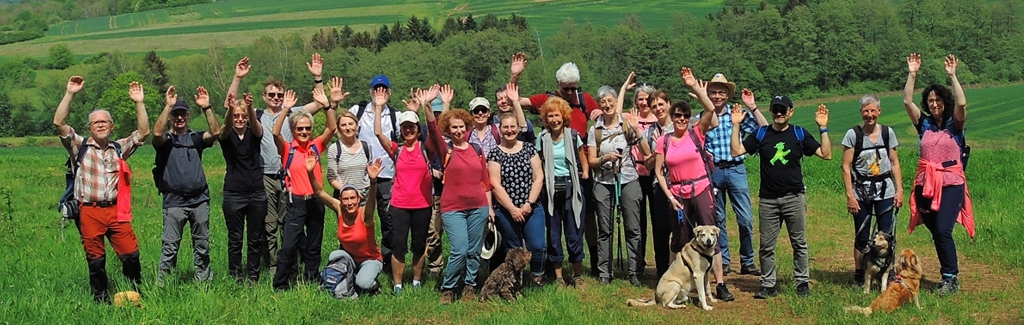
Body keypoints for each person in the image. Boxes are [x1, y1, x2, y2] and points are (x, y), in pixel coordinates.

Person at [225, 55, 326, 276]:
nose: (276, 98)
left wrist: (317, 78)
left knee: (288, 224)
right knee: (268, 225)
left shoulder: (292, 112)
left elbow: (320, 104)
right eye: (271, 94)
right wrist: (237, 77)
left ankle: (290, 264)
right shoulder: (256, 116)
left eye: (279, 94)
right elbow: (230, 105)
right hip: (264, 178)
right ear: (264, 96)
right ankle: (272, 266)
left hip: (289, 177)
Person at [54, 76, 149, 303]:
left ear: (112, 126)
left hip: (117, 212)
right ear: (89, 127)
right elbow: (59, 123)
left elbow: (143, 132)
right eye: (96, 122)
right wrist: (70, 93)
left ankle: (134, 295)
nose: (100, 124)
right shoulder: (80, 147)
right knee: (96, 259)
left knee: (131, 255)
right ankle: (101, 300)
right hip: (89, 211)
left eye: (105, 121)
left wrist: (139, 102)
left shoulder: (119, 148)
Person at [729, 96, 832, 298]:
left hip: (794, 197)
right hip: (768, 200)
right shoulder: (761, 133)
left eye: (782, 110)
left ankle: (802, 282)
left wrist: (823, 128)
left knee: (799, 243)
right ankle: (768, 285)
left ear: (790, 112)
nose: (778, 114)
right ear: (771, 111)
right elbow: (736, 151)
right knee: (766, 246)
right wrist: (736, 126)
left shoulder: (798, 133)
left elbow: (826, 154)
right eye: (775, 110)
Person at [653, 67, 735, 301]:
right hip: (677, 193)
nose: (681, 119)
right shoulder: (664, 141)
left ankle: (719, 283)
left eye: (685, 116)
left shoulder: (696, 133)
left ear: (689, 118)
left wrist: (696, 88)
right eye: (677, 115)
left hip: (700, 189)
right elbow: (659, 172)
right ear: (672, 116)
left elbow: (711, 109)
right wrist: (670, 196)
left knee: (710, 235)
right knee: (679, 238)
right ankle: (675, 280)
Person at [513, 57, 602, 273]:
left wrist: (600, 113)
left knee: (586, 217)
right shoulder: (546, 99)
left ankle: (593, 262)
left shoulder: (584, 98)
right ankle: (555, 268)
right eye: (567, 89)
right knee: (554, 223)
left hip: (579, 169)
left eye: (574, 88)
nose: (571, 92)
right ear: (559, 85)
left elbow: (601, 115)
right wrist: (515, 75)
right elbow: (515, 101)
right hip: (553, 172)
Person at [903, 53, 974, 296]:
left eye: (938, 100)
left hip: (951, 183)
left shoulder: (955, 125)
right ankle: (947, 274)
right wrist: (912, 73)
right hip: (926, 185)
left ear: (945, 101)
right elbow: (906, 101)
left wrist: (953, 76)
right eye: (930, 100)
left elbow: (962, 104)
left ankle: (951, 279)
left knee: (944, 230)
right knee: (936, 231)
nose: (934, 103)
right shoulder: (924, 125)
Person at [697, 73, 769, 276]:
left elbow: (764, 130)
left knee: (745, 218)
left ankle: (747, 261)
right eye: (713, 92)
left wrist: (753, 107)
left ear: (728, 95)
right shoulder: (703, 117)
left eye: (721, 92)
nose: (717, 96)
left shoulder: (738, 114)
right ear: (708, 94)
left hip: (736, 169)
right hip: (713, 172)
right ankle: (724, 260)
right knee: (718, 219)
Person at [373, 86, 441, 295]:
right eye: (405, 127)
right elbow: (377, 133)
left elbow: (434, 130)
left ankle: (417, 281)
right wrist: (378, 107)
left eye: (412, 126)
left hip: (422, 205)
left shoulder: (425, 148)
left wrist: (424, 106)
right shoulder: (397, 149)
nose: (409, 130)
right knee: (399, 246)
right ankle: (398, 285)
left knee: (419, 245)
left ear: (418, 129)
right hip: (399, 206)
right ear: (400, 130)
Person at [151, 85, 220, 285]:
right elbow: (156, 133)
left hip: (199, 200)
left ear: (188, 116)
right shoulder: (166, 141)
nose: (179, 118)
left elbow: (215, 132)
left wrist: (207, 108)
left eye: (182, 114)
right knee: (170, 247)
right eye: (175, 115)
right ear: (171, 117)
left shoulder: (195, 138)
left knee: (202, 245)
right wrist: (167, 106)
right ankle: (164, 285)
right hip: (174, 201)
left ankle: (203, 284)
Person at [588, 74, 652, 286]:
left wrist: (636, 130)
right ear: (600, 104)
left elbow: (646, 152)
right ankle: (604, 273)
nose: (607, 105)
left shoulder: (627, 124)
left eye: (611, 101)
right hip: (603, 182)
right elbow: (590, 161)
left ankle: (635, 272)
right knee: (605, 230)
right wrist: (603, 158)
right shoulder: (595, 130)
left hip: (629, 180)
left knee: (633, 228)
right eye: (603, 102)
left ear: (617, 103)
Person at [434, 85, 495, 304]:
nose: (458, 131)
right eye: (454, 128)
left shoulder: (476, 150)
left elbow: (485, 182)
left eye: (461, 127)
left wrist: (489, 208)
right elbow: (433, 130)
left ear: (466, 127)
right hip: (453, 209)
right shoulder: (446, 150)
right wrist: (430, 105)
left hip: (478, 207)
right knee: (459, 249)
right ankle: (449, 288)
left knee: (474, 250)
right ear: (448, 130)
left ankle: (470, 286)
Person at [270, 87, 335, 291]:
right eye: (300, 129)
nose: (304, 132)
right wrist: (285, 109)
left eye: (307, 128)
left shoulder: (316, 146)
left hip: (316, 200)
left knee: (314, 245)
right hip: (295, 202)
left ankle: (312, 279)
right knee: (289, 245)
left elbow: (331, 128)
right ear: (294, 130)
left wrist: (327, 107)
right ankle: (280, 283)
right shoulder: (288, 149)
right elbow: (275, 132)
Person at [841, 94, 903, 286]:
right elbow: (845, 167)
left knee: (886, 236)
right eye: (866, 111)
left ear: (879, 111)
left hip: (886, 191)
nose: (870, 115)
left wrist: (899, 190)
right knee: (862, 236)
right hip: (861, 193)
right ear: (861, 112)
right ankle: (860, 274)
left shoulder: (887, 133)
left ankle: (886, 273)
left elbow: (894, 162)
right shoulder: (853, 135)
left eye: (873, 110)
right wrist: (850, 196)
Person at [489, 83, 546, 286]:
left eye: (513, 127)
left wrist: (529, 204)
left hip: (532, 206)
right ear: (500, 130)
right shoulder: (494, 153)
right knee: (513, 248)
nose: (510, 130)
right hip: (507, 210)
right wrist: (513, 209)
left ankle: (537, 277)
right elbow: (495, 184)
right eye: (506, 127)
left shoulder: (529, 148)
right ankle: (515, 282)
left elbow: (538, 177)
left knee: (537, 245)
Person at [308, 155, 384, 295]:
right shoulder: (339, 209)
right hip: (351, 259)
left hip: (370, 260)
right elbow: (319, 192)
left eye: (352, 198)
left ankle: (375, 287)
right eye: (346, 199)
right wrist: (310, 172)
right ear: (341, 201)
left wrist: (373, 182)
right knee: (334, 255)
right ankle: (350, 277)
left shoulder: (364, 214)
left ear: (358, 199)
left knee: (363, 283)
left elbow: (372, 202)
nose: (349, 203)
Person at [348, 74, 400, 274]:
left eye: (384, 89)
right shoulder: (358, 111)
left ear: (389, 92)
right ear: (370, 91)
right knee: (360, 220)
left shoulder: (396, 115)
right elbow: (342, 130)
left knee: (388, 222)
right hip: (362, 176)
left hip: (388, 176)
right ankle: (358, 259)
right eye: (376, 89)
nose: (380, 92)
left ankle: (387, 263)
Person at [536, 96, 589, 288]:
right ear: (545, 118)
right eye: (550, 116)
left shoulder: (573, 136)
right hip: (550, 189)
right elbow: (539, 161)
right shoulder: (542, 138)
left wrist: (585, 173)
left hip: (571, 188)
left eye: (557, 115)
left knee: (574, 232)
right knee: (554, 234)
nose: (554, 119)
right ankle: (559, 277)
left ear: (564, 116)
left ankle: (577, 275)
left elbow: (583, 158)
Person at [217, 91, 267, 284]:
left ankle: (253, 274)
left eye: (243, 115)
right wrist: (230, 110)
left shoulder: (254, 134)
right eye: (237, 115)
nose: (240, 119)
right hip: (233, 194)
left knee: (255, 238)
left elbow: (256, 126)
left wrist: (250, 110)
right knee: (235, 238)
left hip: (256, 192)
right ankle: (235, 275)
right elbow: (225, 127)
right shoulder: (226, 135)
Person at [640, 89, 674, 277]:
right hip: (658, 186)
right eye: (654, 106)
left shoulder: (679, 125)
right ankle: (662, 272)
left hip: (678, 184)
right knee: (661, 230)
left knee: (680, 230)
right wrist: (658, 149)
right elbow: (648, 163)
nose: (658, 108)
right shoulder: (649, 132)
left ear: (669, 104)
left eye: (661, 104)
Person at [628, 82, 657, 273]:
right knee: (638, 222)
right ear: (636, 102)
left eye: (647, 99)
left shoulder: (659, 118)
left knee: (658, 220)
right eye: (640, 99)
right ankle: (638, 261)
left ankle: (661, 260)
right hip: (635, 174)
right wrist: (623, 88)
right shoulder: (630, 118)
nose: (644, 102)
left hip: (654, 173)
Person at [326, 77, 370, 201]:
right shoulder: (335, 149)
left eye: (351, 124)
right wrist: (349, 191)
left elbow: (369, 173)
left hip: (364, 198)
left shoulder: (366, 147)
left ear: (357, 126)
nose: (348, 128)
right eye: (343, 125)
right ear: (339, 128)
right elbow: (331, 178)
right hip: (344, 198)